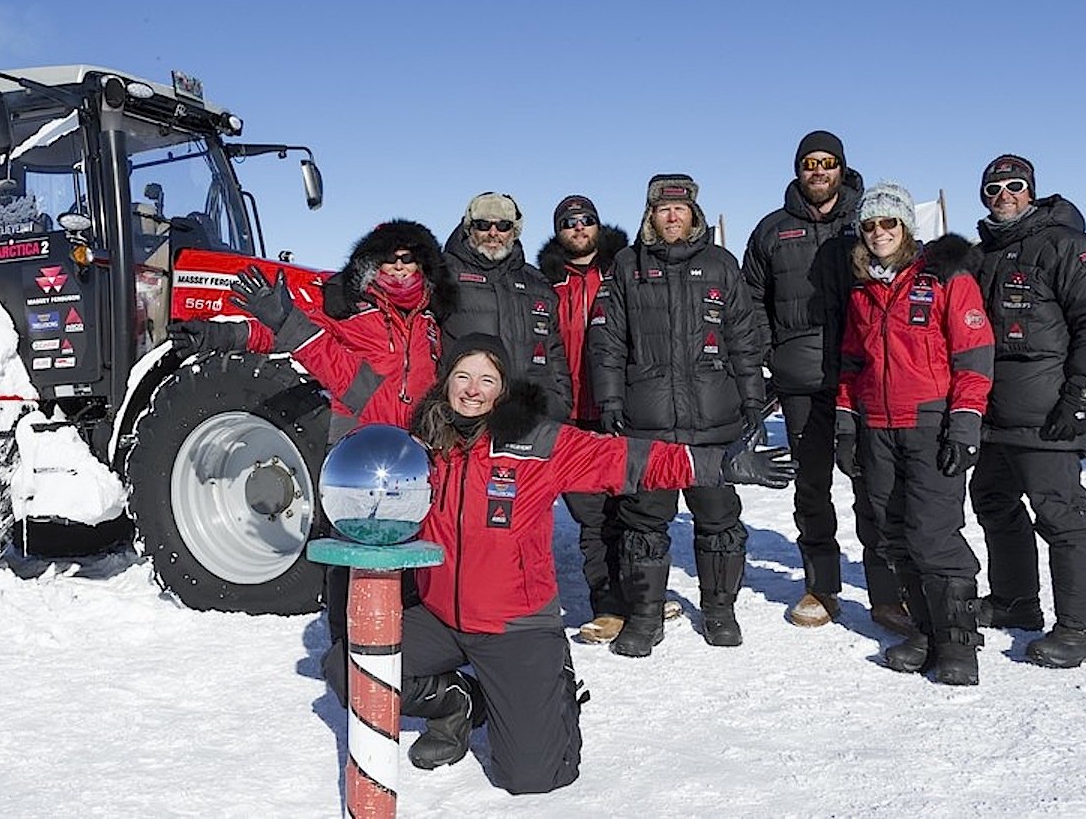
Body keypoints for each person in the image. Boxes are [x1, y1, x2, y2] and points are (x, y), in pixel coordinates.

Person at [308, 331, 793, 794]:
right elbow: (355, 380)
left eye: (487, 380)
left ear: (503, 391)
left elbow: (627, 459)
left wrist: (719, 466)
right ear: (446, 381)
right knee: (344, 667)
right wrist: (289, 327)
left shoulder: (538, 443)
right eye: (462, 376)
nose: (472, 390)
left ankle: (550, 688)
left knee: (534, 777)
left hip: (515, 626)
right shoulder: (426, 435)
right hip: (440, 617)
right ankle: (457, 701)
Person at [187, 219, 452, 640]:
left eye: (409, 259)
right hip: (357, 448)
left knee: (409, 550)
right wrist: (225, 333)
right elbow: (282, 333)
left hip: (412, 455)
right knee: (351, 551)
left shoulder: (429, 320)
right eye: (389, 260)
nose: (400, 268)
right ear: (371, 266)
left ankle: (406, 643)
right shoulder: (349, 310)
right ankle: (344, 644)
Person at [588, 174, 767, 656]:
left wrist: (753, 400)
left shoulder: (721, 265)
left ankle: (719, 611)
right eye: (663, 210)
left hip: (714, 420)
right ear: (651, 215)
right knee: (643, 525)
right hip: (649, 424)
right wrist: (610, 401)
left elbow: (745, 339)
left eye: (680, 209)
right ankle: (645, 618)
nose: (672, 217)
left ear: (694, 214)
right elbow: (606, 342)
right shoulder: (628, 267)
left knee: (720, 521)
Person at [742, 130, 909, 634]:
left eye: (828, 161)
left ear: (842, 167)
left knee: (874, 485)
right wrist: (774, 352)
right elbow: (750, 300)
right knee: (812, 488)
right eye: (809, 162)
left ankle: (887, 592)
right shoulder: (772, 230)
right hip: (802, 382)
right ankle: (822, 587)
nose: (818, 170)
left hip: (866, 378)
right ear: (798, 170)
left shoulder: (869, 222)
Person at [968, 154, 1086, 668]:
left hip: (1049, 413)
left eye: (1015, 186)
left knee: (1061, 515)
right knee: (993, 502)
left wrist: (1083, 391)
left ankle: (1084, 627)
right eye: (994, 189)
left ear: (1032, 191)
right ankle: (1015, 601)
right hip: (990, 414)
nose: (1004, 196)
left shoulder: (1067, 246)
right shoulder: (982, 255)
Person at [835, 183, 994, 686]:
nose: (879, 233)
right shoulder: (862, 288)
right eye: (870, 225)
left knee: (934, 533)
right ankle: (925, 630)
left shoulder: (944, 276)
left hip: (930, 424)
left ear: (906, 226)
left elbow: (973, 355)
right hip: (877, 426)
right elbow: (851, 363)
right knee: (892, 531)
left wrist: (965, 421)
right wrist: (846, 421)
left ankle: (957, 644)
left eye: (889, 223)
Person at [534, 195, 649, 642]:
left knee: (634, 510)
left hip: (622, 407)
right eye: (569, 222)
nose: (579, 228)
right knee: (593, 516)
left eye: (586, 221)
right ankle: (608, 605)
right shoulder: (544, 282)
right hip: (571, 414)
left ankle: (642, 596)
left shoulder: (622, 271)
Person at [441, 192, 574, 419]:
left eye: (503, 226)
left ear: (514, 231)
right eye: (483, 225)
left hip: (533, 413)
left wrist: (561, 402)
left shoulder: (538, 283)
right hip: (469, 409)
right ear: (469, 228)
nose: (493, 233)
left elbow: (553, 351)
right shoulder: (445, 274)